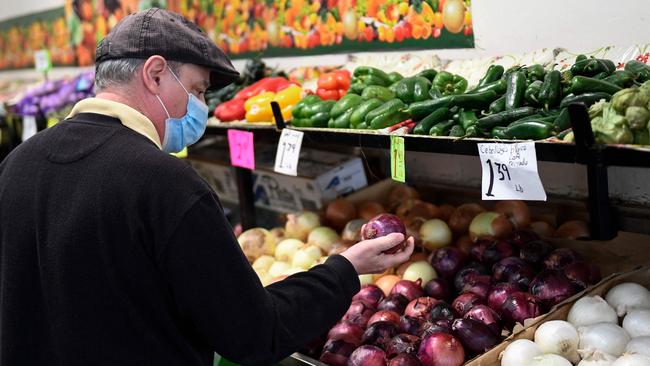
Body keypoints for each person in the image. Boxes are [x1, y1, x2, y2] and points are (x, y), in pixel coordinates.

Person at [0, 8, 414, 366]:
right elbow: (252, 334)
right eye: (197, 90)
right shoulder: (164, 183)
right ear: (156, 73)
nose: (199, 107)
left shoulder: (16, 164)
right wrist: (345, 268)